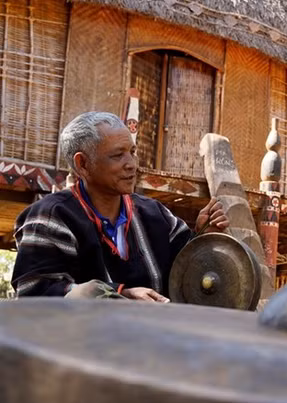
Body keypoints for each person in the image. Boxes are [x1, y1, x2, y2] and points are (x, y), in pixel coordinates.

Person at [12, 111, 229, 301]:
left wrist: (203, 237)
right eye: (118, 155)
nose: (132, 164)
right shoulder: (51, 217)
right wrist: (120, 294)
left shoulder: (155, 214)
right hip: (81, 345)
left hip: (153, 341)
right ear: (83, 164)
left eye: (132, 152)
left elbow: (188, 273)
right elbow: (37, 293)